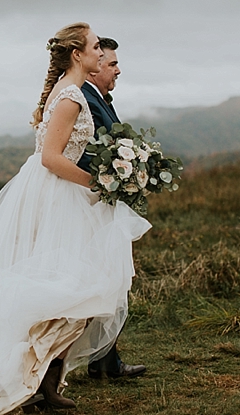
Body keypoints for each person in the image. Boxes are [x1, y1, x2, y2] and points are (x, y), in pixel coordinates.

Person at [0, 23, 151, 415]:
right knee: (70, 288)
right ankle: (30, 380)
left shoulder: (65, 91)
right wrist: (99, 184)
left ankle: (43, 382)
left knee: (66, 290)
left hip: (54, 193)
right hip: (59, 196)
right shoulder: (70, 96)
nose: (98, 51)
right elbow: (52, 158)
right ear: (77, 55)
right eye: (93, 46)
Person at [78, 37, 148, 379]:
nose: (118, 69)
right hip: (88, 202)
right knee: (98, 278)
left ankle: (105, 362)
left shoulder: (97, 97)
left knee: (110, 277)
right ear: (94, 66)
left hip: (102, 198)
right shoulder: (84, 100)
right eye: (112, 64)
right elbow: (82, 154)